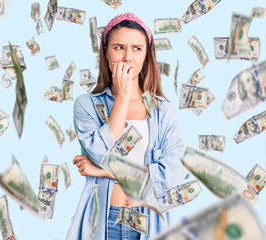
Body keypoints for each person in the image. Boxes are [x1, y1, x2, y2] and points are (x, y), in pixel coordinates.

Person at [66, 12, 188, 240]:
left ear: (146, 56)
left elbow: (173, 173)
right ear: (106, 52)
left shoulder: (163, 111)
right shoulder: (87, 106)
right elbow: (104, 154)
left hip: (150, 224)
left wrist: (102, 172)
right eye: (119, 47)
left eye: (137, 48)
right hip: (103, 221)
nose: (127, 57)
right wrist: (122, 96)